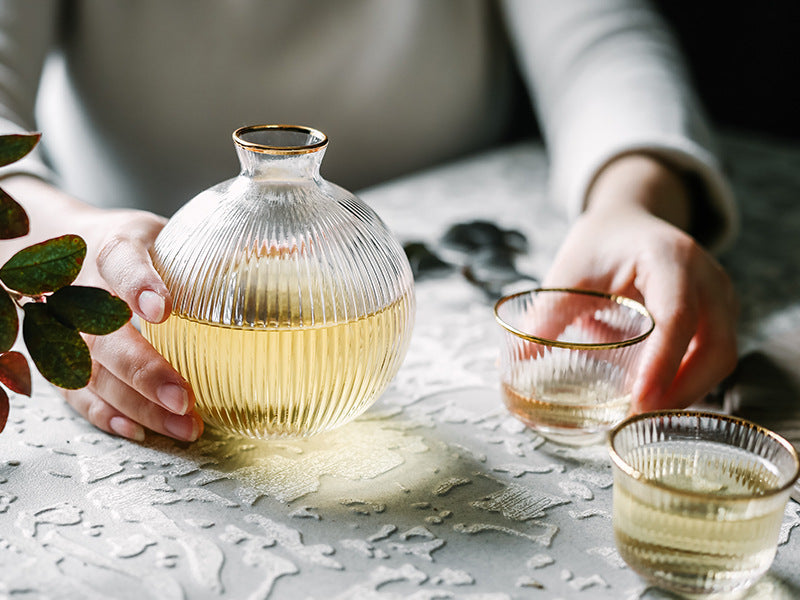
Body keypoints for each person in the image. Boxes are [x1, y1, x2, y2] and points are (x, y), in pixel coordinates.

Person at [0, 0, 738, 442]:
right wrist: (64, 236)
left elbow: (601, 39)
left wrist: (629, 201)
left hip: (427, 260)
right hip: (159, 288)